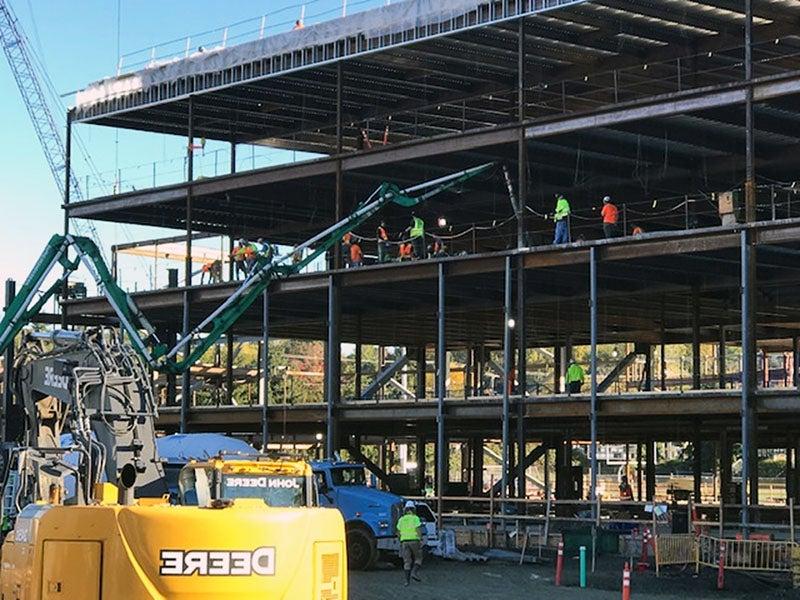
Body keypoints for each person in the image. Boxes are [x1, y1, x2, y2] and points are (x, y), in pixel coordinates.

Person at [396, 500, 424, 586]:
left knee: (407, 561)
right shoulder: (415, 518)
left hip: (404, 541)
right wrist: (420, 539)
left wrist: (401, 540)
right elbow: (418, 530)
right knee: (419, 558)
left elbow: (398, 532)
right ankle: (414, 573)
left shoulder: (401, 519)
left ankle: (406, 581)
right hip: (414, 540)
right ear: (413, 509)